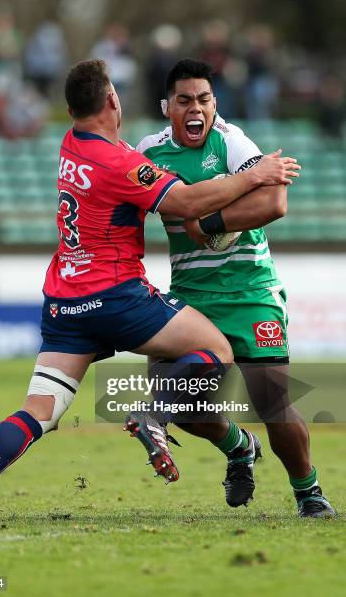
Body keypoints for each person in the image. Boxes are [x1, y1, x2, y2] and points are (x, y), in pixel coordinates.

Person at [0, 59, 298, 520]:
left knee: (40, 410)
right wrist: (255, 174)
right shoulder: (121, 162)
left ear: (72, 110)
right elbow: (188, 202)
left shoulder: (71, 144)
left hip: (64, 301)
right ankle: (152, 414)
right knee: (215, 350)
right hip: (116, 296)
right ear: (113, 100)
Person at [136, 58, 335, 518]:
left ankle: (309, 492)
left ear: (214, 103)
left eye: (204, 99)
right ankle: (238, 447)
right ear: (168, 107)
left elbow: (275, 199)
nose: (196, 108)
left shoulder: (231, 140)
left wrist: (210, 221)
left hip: (249, 292)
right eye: (185, 100)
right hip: (191, 296)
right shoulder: (149, 151)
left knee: (272, 402)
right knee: (174, 402)